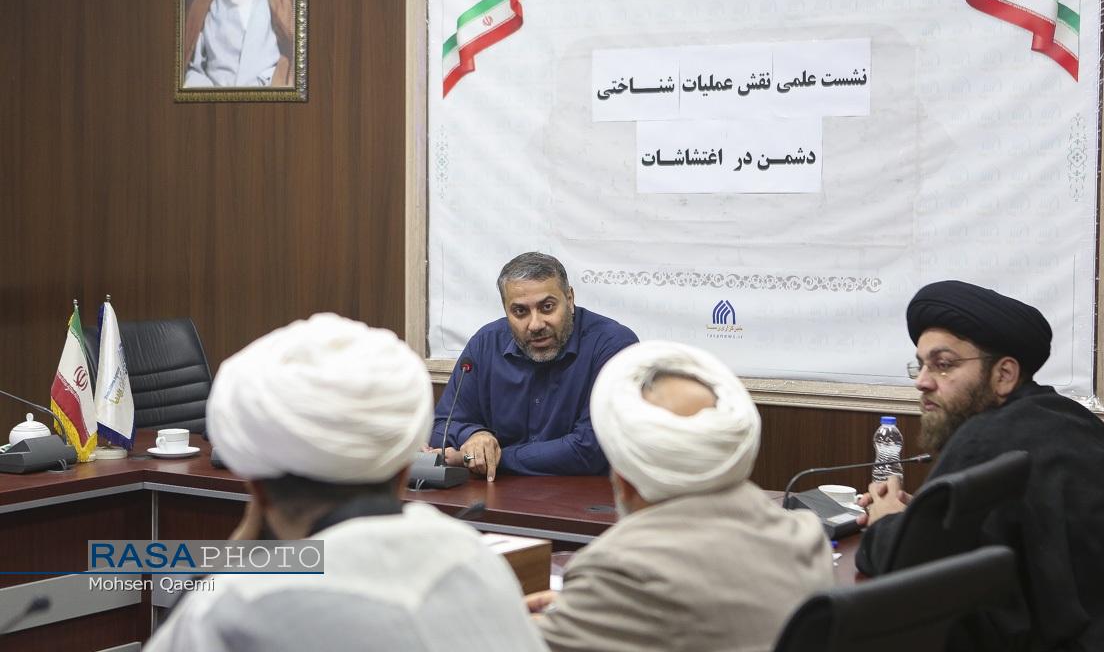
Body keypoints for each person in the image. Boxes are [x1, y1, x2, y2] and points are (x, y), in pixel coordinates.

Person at [145, 313, 546, 652]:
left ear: (258, 491)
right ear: (403, 472)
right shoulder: (476, 564)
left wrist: (231, 560)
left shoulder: (239, 606)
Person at [856, 280, 1104, 652]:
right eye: (921, 365)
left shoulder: (986, 436)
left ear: (1004, 375)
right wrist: (924, 518)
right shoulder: (1064, 418)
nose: (922, 382)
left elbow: (906, 575)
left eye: (943, 365)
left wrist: (887, 520)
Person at [524, 340, 834, 652]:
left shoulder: (618, 569)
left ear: (625, 480)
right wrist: (585, 610)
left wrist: (538, 619)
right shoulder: (805, 537)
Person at [429, 252, 638, 479]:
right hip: (494, 495)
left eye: (547, 307)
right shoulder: (486, 343)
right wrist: (475, 436)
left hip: (585, 496)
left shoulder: (612, 345)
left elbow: (590, 449)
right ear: (506, 310)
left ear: (569, 299)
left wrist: (494, 458)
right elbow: (441, 426)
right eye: (520, 311)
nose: (535, 324)